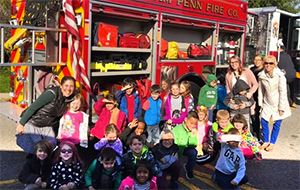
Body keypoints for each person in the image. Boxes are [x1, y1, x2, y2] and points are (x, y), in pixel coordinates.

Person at [16, 76, 76, 154]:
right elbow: (32, 108)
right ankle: (33, 163)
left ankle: (44, 163)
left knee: (51, 144)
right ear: (61, 86)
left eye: (71, 86)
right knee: (38, 147)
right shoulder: (51, 94)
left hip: (47, 126)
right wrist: (21, 124)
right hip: (34, 123)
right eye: (66, 85)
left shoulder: (70, 98)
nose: (68, 89)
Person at [258, 55, 291, 151]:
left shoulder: (280, 75)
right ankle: (266, 141)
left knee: (277, 123)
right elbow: (261, 90)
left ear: (274, 64)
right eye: (266, 63)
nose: (268, 65)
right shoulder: (261, 75)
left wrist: (281, 108)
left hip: (279, 102)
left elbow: (283, 92)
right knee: (263, 121)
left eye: (271, 63)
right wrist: (261, 103)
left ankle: (272, 143)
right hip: (267, 102)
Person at [225, 55, 258, 120]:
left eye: (236, 62)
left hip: (246, 99)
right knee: (235, 120)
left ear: (239, 62)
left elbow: (255, 84)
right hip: (236, 100)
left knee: (247, 120)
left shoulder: (247, 71)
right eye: (232, 62)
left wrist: (250, 93)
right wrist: (230, 99)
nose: (234, 64)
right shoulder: (228, 74)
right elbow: (228, 89)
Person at [172, 111, 198, 180]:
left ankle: (189, 168)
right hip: (177, 149)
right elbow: (174, 145)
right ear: (186, 120)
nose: (192, 126)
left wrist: (192, 137)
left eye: (195, 124)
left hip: (186, 149)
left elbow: (193, 145)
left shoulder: (194, 131)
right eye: (191, 123)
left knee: (194, 152)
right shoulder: (177, 130)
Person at [250, 55, 264, 141]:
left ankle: (258, 133)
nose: (257, 62)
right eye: (255, 60)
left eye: (259, 60)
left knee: (259, 114)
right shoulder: (251, 69)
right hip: (252, 94)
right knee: (253, 114)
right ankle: (255, 131)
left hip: (260, 94)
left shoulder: (263, 71)